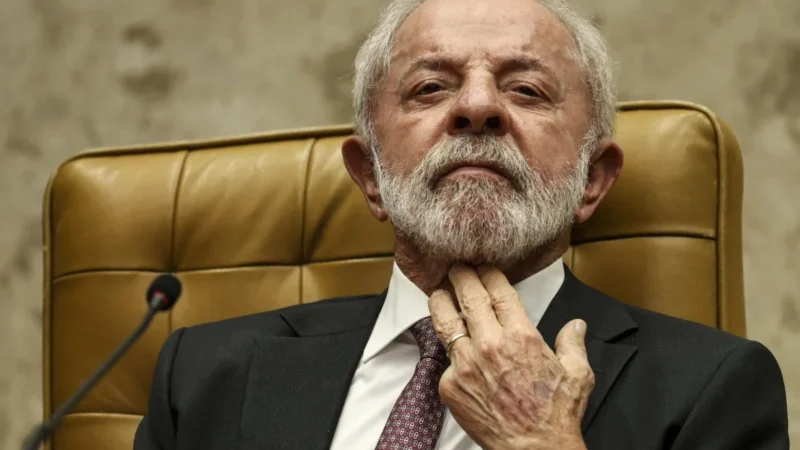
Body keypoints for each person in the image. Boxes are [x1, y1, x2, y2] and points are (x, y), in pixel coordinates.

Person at [134, 0, 790, 448]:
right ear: (370, 176)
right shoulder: (205, 376)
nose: (477, 107)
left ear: (592, 180)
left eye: (526, 90)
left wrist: (541, 443)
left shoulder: (716, 389)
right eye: (430, 88)